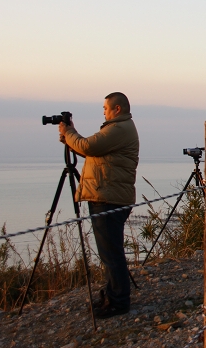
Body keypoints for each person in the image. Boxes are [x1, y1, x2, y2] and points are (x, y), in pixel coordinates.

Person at [59, 92, 140, 318]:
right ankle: (114, 295)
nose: (103, 112)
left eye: (105, 108)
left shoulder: (118, 129)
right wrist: (70, 139)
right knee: (110, 253)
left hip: (108, 198)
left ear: (117, 109)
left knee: (111, 254)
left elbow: (88, 146)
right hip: (109, 195)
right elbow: (93, 152)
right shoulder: (118, 129)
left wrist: (69, 133)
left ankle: (119, 302)